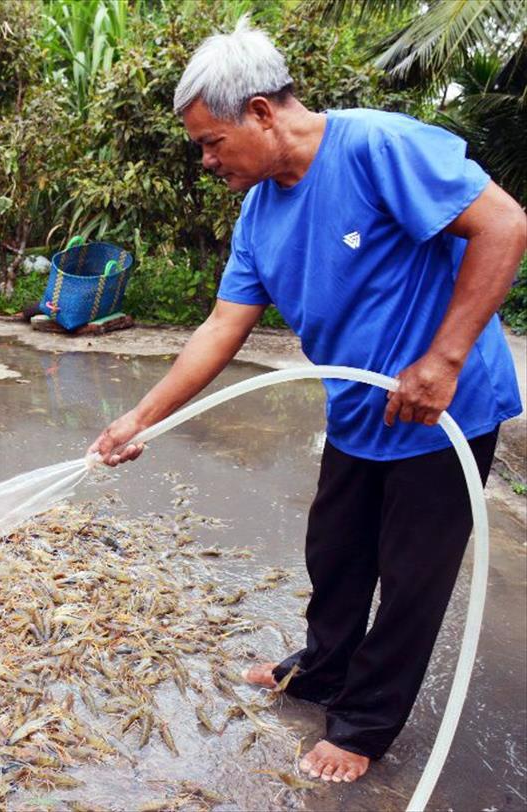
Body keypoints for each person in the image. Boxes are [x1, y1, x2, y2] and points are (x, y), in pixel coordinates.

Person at [90, 17, 525, 784]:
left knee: (411, 581)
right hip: (358, 410)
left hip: (443, 414)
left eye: (211, 141)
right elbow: (221, 327)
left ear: (261, 112)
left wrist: (444, 359)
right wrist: (140, 418)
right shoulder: (259, 214)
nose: (206, 160)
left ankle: (363, 727)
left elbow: (504, 223)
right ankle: (322, 674)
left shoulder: (378, 147)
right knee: (336, 556)